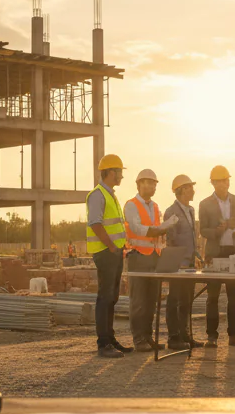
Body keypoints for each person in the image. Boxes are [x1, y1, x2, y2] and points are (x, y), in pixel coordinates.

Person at [198, 165, 235, 347]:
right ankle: (211, 337)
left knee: (233, 295)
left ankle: (234, 335)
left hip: (233, 252)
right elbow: (203, 230)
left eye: (225, 180)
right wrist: (217, 231)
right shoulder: (204, 204)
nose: (223, 184)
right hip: (215, 253)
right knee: (212, 296)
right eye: (219, 181)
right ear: (213, 183)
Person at [124, 169, 172, 352]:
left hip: (154, 256)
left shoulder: (156, 206)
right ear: (139, 184)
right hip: (137, 256)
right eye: (148, 183)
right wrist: (155, 231)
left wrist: (162, 230)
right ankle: (139, 339)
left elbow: (156, 227)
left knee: (151, 300)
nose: (152, 186)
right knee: (138, 301)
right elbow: (136, 227)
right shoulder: (131, 204)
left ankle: (148, 337)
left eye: (154, 183)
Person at [86, 153, 129, 358]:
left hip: (114, 252)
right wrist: (112, 246)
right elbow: (95, 223)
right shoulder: (98, 194)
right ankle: (103, 343)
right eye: (119, 172)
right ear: (111, 172)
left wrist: (119, 247)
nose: (121, 175)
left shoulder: (110, 194)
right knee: (105, 298)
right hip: (106, 253)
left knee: (112, 297)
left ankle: (110, 339)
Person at [164, 174, 203, 350]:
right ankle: (174, 337)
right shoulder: (171, 212)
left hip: (190, 264)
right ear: (183, 190)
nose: (193, 190)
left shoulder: (191, 210)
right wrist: (176, 262)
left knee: (187, 300)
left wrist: (197, 255)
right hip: (178, 265)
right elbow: (170, 239)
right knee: (175, 300)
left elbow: (191, 237)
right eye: (191, 187)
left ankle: (185, 334)